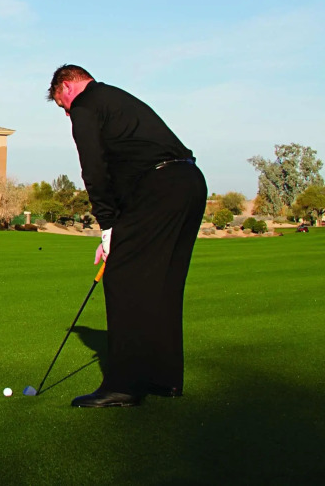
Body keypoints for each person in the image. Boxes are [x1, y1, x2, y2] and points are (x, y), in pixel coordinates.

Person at [48, 65, 207, 408]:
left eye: (62, 105)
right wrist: (115, 229)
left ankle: (124, 385)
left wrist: (106, 225)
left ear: (67, 86)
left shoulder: (86, 105)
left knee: (122, 277)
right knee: (163, 280)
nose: (67, 113)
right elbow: (126, 171)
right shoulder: (116, 99)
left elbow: (94, 169)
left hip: (159, 188)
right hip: (188, 183)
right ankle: (164, 377)